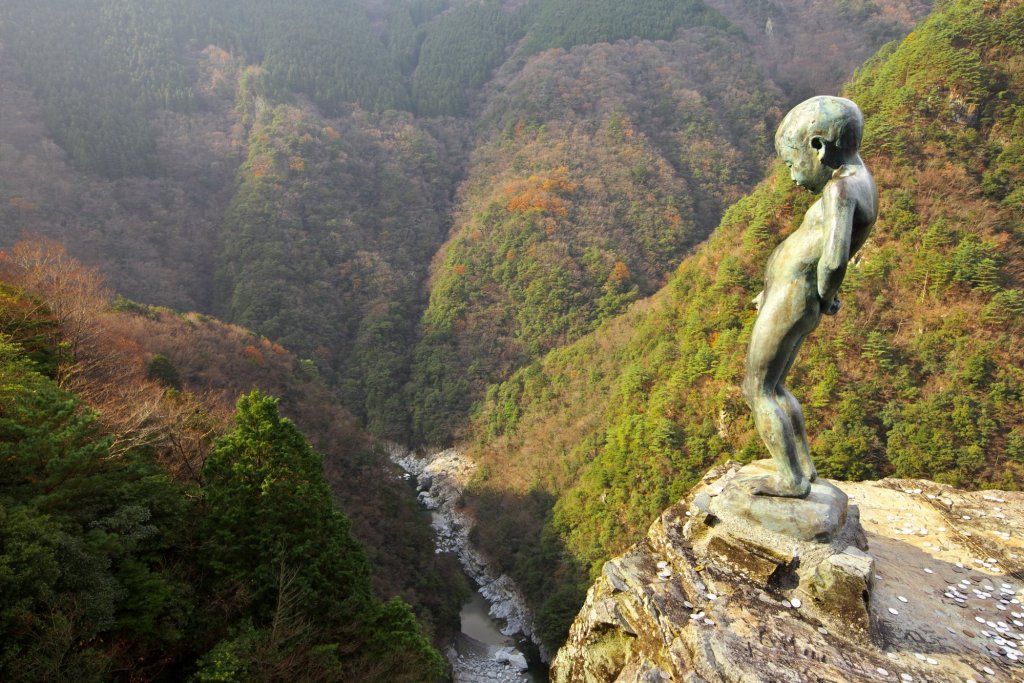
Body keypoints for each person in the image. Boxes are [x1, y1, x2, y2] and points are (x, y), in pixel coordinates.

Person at [741, 96, 878, 497]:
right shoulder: (860, 178)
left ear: (818, 147)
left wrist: (823, 293)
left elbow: (834, 259)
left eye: (791, 162)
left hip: (795, 296)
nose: (791, 176)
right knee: (778, 386)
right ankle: (804, 467)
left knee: (758, 389)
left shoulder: (839, 191)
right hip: (790, 296)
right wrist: (775, 291)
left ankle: (791, 478)